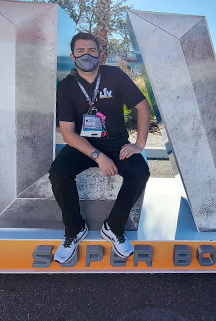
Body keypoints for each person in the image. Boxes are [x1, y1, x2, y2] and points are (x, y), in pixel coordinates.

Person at [49, 32, 151, 264]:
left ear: (100, 54)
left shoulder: (115, 75)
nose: (87, 55)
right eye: (81, 51)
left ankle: (113, 227)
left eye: (92, 50)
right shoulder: (66, 86)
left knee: (140, 172)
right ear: (73, 57)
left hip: (116, 142)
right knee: (58, 173)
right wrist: (98, 156)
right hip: (83, 145)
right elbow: (68, 133)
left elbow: (143, 107)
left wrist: (139, 144)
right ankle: (74, 230)